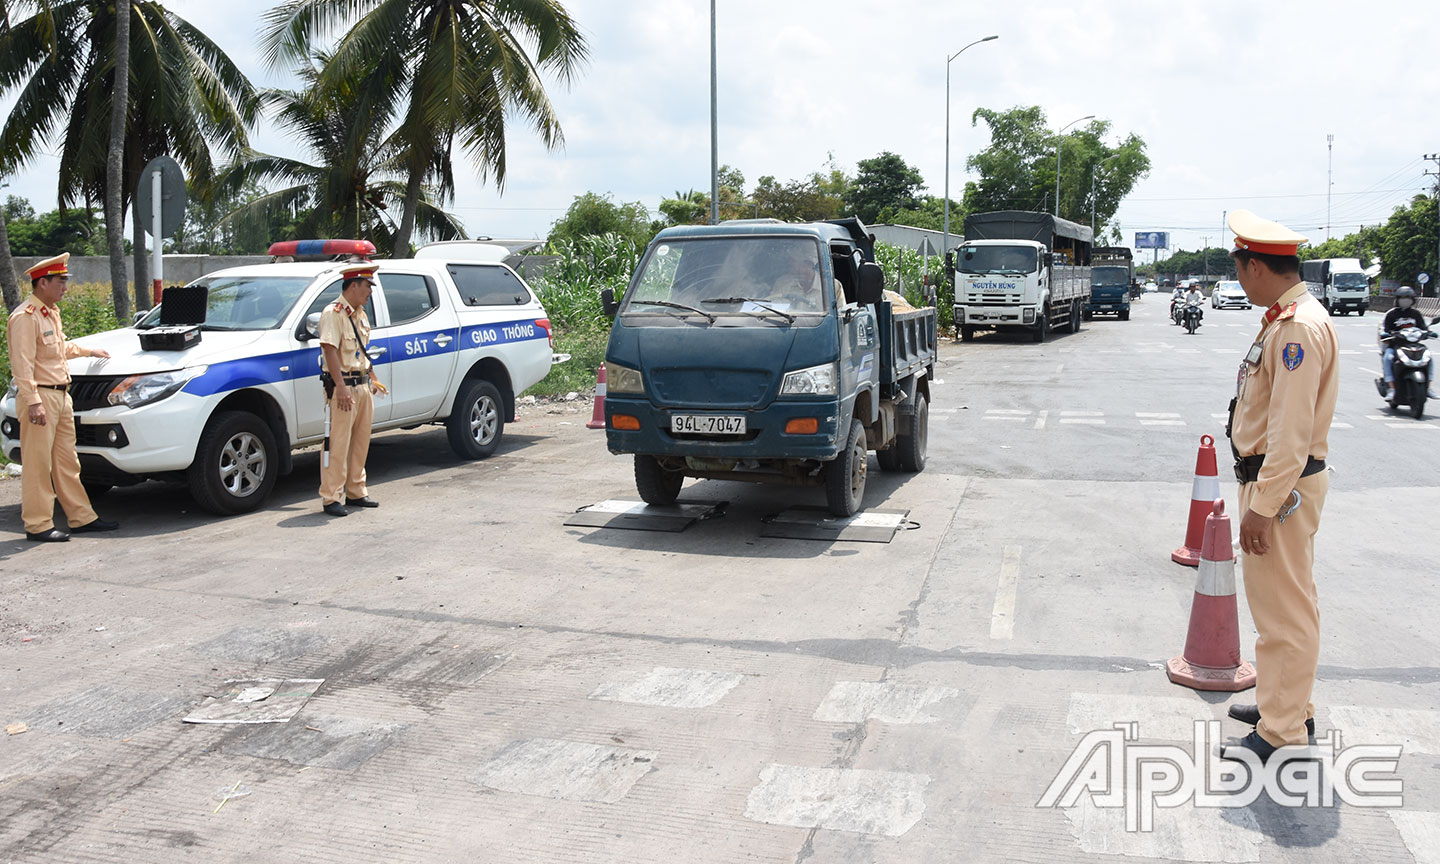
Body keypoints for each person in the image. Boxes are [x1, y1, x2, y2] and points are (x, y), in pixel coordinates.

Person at [1220, 210, 1338, 764]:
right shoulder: (1291, 317)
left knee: (1282, 614)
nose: (1241, 281)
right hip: (1282, 482)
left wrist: (1262, 507)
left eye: (1240, 269)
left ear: (1256, 267)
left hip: (1281, 488)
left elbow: (1289, 433)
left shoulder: (1295, 328)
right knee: (1289, 604)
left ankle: (1282, 732)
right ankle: (1287, 706)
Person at [7, 253, 119, 542]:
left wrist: (88, 351)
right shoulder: (24, 317)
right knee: (38, 465)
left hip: (61, 395)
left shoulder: (50, 313)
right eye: (61, 281)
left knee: (68, 462)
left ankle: (81, 518)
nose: (65, 287)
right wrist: (33, 402)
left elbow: (58, 349)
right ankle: (38, 524)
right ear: (43, 283)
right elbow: (22, 364)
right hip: (41, 398)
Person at [317, 263, 386, 517]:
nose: (370, 291)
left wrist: (373, 378)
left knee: (360, 442)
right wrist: (340, 387)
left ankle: (356, 490)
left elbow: (361, 352)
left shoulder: (361, 314)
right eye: (367, 286)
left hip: (362, 385)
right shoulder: (333, 313)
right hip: (343, 387)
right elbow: (330, 350)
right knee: (338, 444)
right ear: (354, 285)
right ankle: (331, 496)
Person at [1379, 286, 1437, 400]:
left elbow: (1423, 328)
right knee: (1387, 358)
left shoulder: (1416, 314)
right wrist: (1387, 334)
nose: (1405, 300)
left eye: (1408, 297)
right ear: (1397, 299)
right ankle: (1391, 389)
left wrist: (1429, 333)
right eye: (1402, 297)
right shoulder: (1391, 314)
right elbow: (1385, 330)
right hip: (1395, 345)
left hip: (1414, 344)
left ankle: (1428, 388)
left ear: (1413, 299)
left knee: (1429, 358)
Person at [770, 244, 822, 312]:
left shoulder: (830, 287)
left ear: (809, 264)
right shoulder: (782, 283)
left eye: (794, 261)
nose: (790, 263)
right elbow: (774, 310)